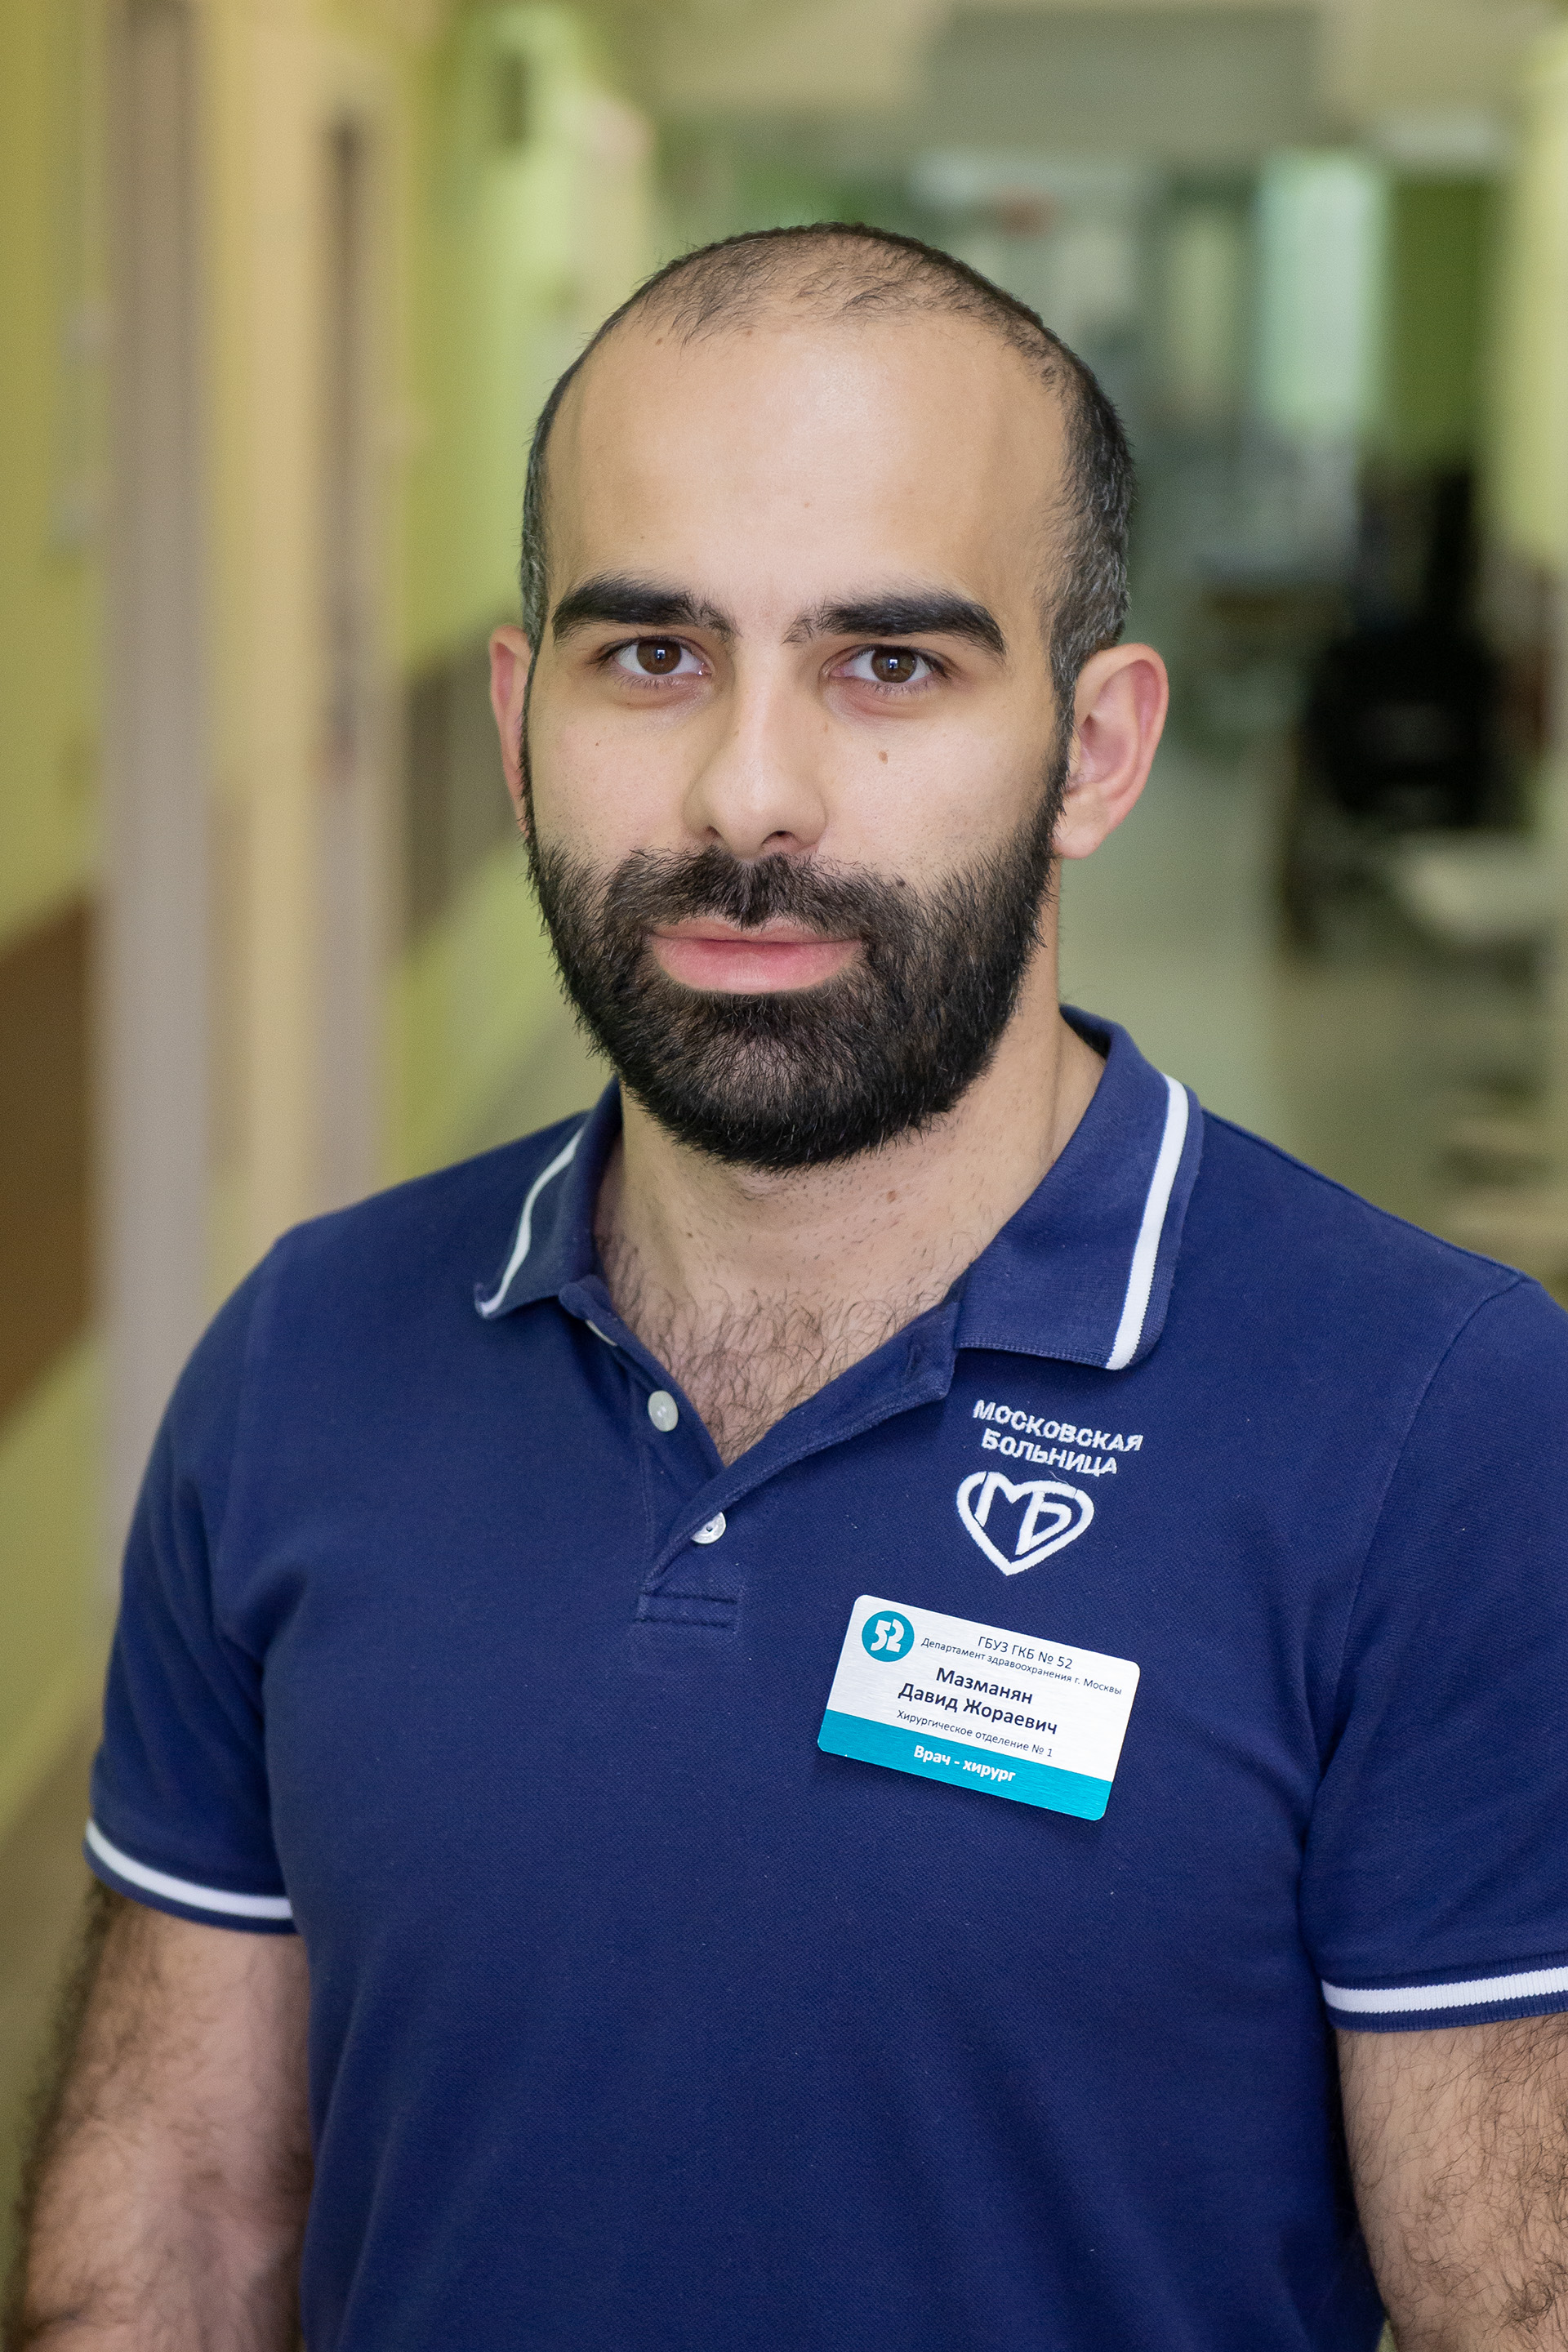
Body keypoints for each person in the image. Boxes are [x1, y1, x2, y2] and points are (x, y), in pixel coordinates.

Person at [11, 224, 1568, 2352]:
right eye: (652, 654)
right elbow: (171, 2238)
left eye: (889, 665)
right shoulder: (304, 1360)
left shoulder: (1439, 1429)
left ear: (1098, 751)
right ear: (521, 718)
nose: (751, 793)